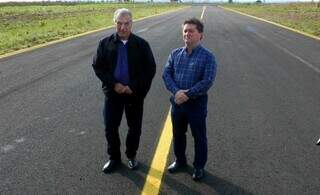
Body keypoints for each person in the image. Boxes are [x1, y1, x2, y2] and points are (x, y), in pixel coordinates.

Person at [92, 8, 156, 173]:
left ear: (132, 23)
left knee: (134, 128)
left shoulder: (142, 45)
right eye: (119, 23)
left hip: (134, 95)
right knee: (110, 127)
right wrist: (114, 84)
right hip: (113, 94)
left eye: (126, 23)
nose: (123, 27)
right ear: (115, 23)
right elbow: (98, 67)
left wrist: (133, 87)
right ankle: (114, 158)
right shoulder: (104, 44)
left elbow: (150, 70)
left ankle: (131, 156)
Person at [162, 18, 217, 181]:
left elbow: (207, 81)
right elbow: (166, 74)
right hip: (177, 103)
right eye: (185, 31)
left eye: (191, 31)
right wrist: (177, 92)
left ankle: (199, 166)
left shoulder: (208, 57)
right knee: (178, 134)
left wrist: (187, 94)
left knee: (199, 136)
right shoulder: (175, 54)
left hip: (196, 104)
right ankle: (180, 161)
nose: (187, 34)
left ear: (201, 35)